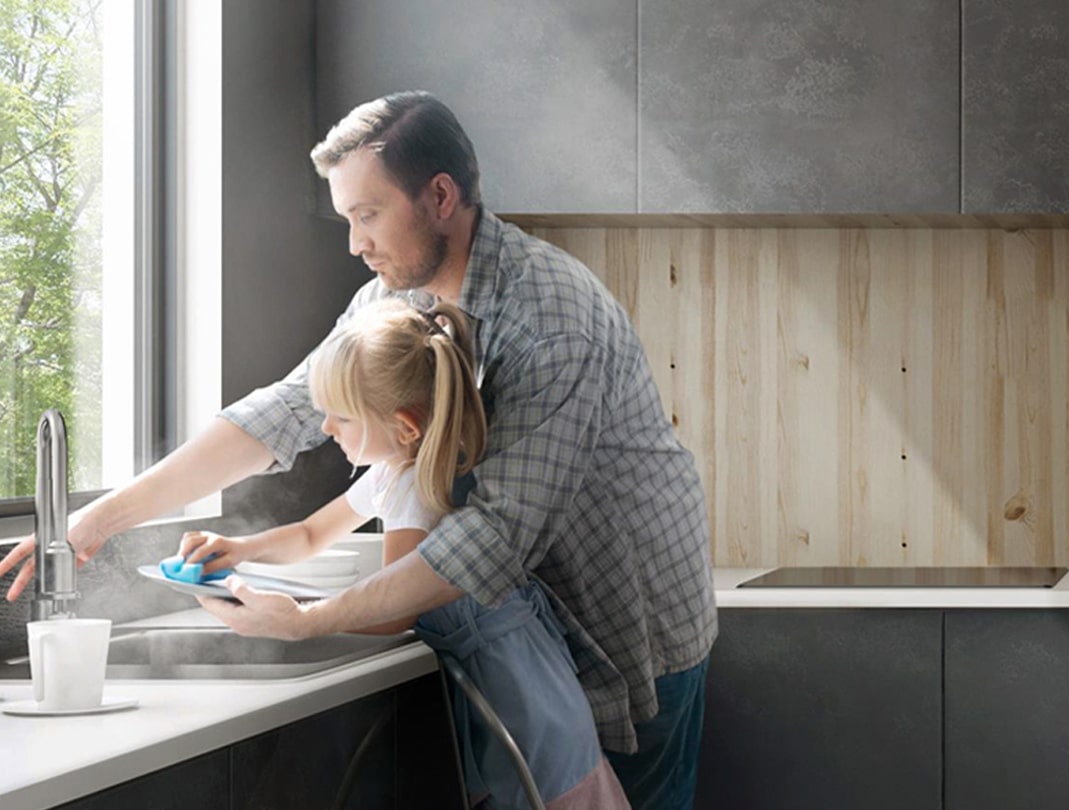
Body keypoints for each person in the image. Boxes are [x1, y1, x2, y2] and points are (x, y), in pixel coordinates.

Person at [0, 91, 716, 810]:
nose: (354, 243)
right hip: (518, 624)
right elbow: (286, 409)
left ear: (440, 196)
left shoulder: (552, 318)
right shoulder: (388, 302)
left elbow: (492, 536)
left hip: (623, 621)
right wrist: (97, 521)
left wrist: (310, 619)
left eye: (367, 214)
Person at [178, 299, 629, 809]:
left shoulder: (414, 488)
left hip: (521, 700)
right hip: (522, 690)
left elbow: (395, 611)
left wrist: (302, 619)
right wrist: (238, 549)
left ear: (405, 426)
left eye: (341, 417)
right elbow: (309, 534)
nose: (326, 429)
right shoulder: (396, 468)